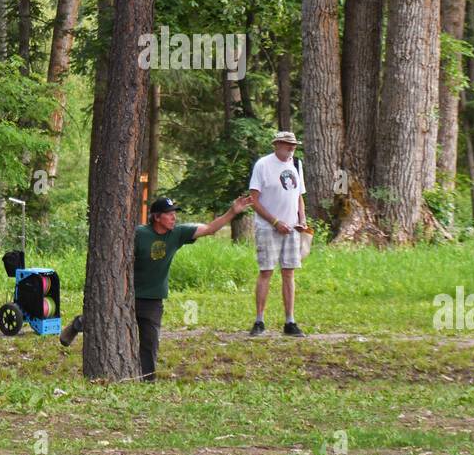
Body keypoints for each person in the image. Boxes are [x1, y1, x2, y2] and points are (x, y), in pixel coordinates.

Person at [60, 193, 252, 380]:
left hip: (153, 299)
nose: (173, 217)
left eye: (174, 213)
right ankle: (78, 324)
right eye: (169, 214)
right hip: (127, 294)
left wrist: (232, 212)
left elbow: (210, 228)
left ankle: (147, 380)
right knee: (103, 320)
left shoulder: (177, 234)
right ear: (157, 217)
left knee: (150, 343)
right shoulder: (138, 234)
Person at [248, 130, 308, 337]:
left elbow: (299, 196)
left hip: (291, 228)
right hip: (268, 227)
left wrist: (302, 220)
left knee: (289, 272)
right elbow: (253, 200)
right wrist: (274, 221)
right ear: (277, 144)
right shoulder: (263, 165)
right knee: (266, 271)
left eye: (293, 145)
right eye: (287, 144)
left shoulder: (297, 165)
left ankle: (290, 321)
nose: (291, 147)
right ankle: (259, 321)